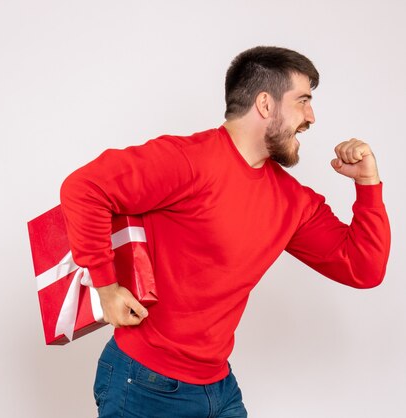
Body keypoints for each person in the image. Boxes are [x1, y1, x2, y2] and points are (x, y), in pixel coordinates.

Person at [59, 46, 391, 418]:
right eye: (302, 101)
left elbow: (363, 268)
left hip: (219, 388)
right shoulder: (187, 160)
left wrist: (368, 184)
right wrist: (106, 287)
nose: (311, 117)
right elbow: (84, 188)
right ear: (265, 104)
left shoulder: (293, 201)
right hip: (145, 384)